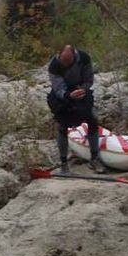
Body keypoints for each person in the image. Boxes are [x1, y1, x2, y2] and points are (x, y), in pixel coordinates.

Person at [46, 45, 107, 174]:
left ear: (74, 56)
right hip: (62, 96)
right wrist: (68, 95)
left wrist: (83, 89)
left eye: (68, 61)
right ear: (59, 55)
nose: (66, 64)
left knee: (93, 120)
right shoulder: (54, 65)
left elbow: (89, 79)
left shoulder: (84, 58)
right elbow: (58, 88)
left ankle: (94, 158)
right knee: (62, 126)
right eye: (64, 61)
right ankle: (63, 163)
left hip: (81, 91)